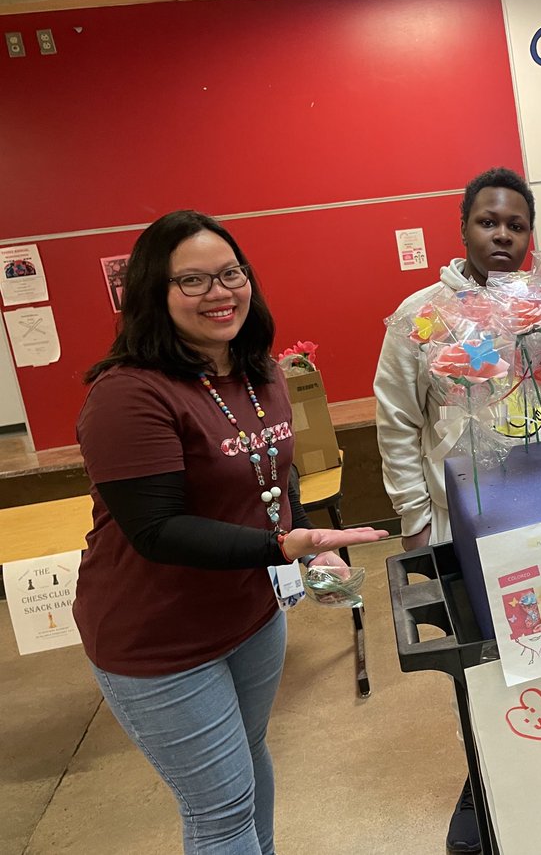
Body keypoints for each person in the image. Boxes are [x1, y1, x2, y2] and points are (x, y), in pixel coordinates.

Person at [75, 210, 387, 855]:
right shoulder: (130, 394)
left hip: (248, 615)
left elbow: (278, 479)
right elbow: (156, 529)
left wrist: (309, 543)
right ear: (152, 296)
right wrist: (279, 549)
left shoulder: (260, 371)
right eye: (191, 281)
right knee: (219, 810)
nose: (218, 293)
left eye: (230, 274)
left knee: (248, 763)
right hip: (158, 639)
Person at [374, 167, 541, 854]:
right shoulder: (421, 315)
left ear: (531, 235)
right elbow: (397, 421)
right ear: (464, 227)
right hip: (463, 527)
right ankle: (492, 799)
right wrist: (416, 519)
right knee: (486, 674)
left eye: (517, 225)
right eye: (488, 222)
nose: (503, 235)